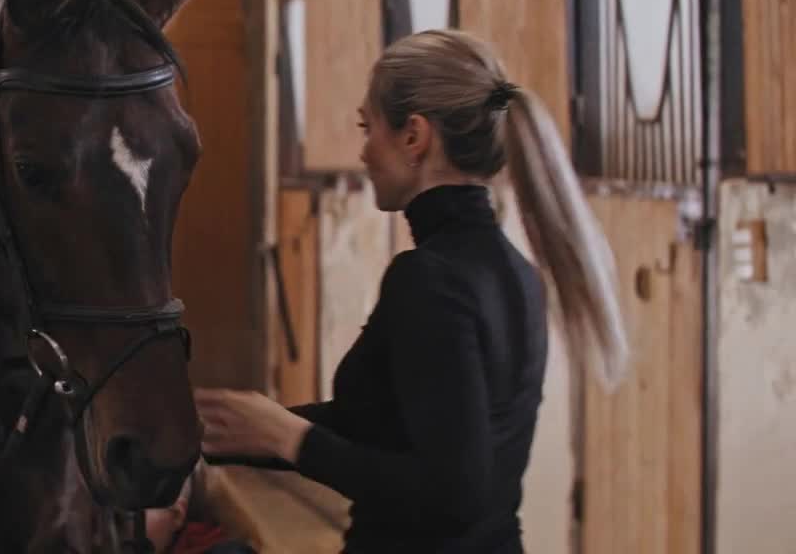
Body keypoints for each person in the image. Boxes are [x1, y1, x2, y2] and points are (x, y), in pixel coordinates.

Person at [194, 30, 629, 553]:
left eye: (367, 127)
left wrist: (291, 439)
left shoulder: (430, 279)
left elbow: (452, 495)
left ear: (413, 137)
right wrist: (238, 431)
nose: (362, 151)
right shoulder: (515, 271)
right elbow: (386, 425)